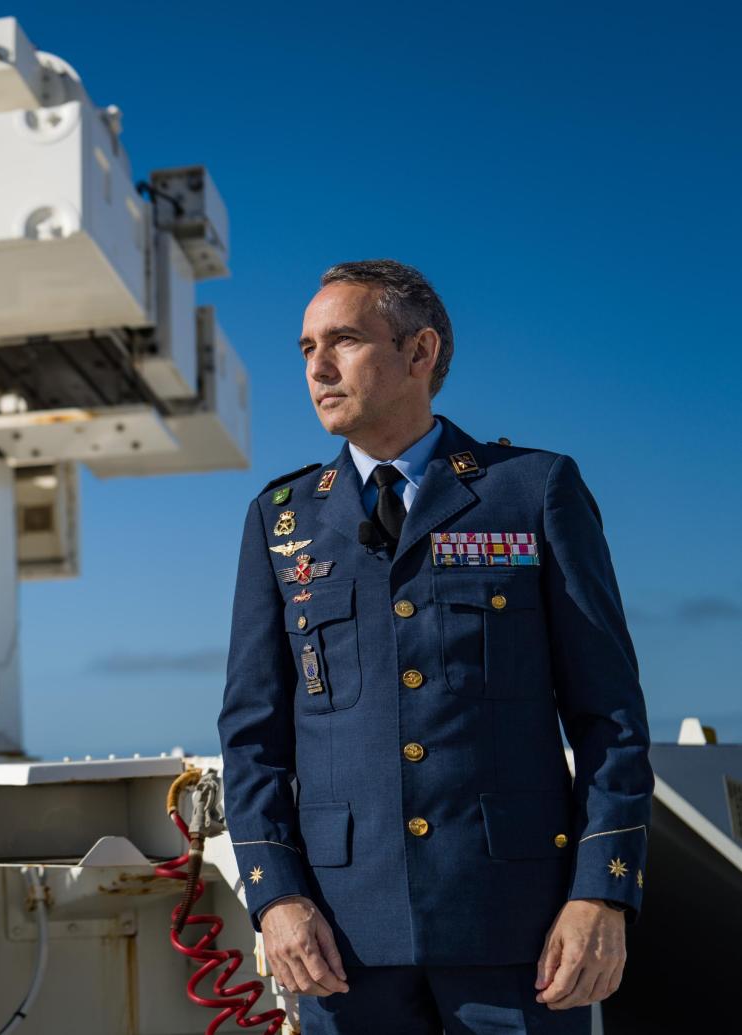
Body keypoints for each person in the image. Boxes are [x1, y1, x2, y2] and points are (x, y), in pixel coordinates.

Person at [216, 260, 652, 1034]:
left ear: (420, 353)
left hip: (519, 930)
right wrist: (275, 895)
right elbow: (253, 737)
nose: (317, 366)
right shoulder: (280, 519)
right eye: (307, 346)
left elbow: (608, 714)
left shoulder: (531, 490)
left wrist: (601, 893)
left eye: (344, 340)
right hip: (338, 940)